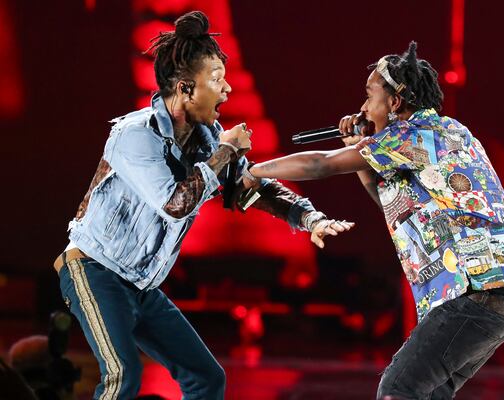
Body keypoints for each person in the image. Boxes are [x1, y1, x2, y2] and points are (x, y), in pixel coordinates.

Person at [54, 11, 353, 400]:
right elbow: (175, 203)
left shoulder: (206, 137)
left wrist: (307, 217)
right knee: (121, 373)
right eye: (216, 79)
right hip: (93, 271)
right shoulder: (134, 136)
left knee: (206, 378)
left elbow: (249, 187)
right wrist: (224, 152)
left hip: (140, 284)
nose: (226, 89)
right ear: (185, 88)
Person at [246, 41, 504, 399]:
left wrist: (252, 169)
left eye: (369, 95)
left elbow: (320, 163)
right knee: (427, 394)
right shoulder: (443, 133)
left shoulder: (415, 134)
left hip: (477, 289)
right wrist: (364, 150)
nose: (363, 107)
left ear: (395, 102)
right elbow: (396, 210)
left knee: (399, 388)